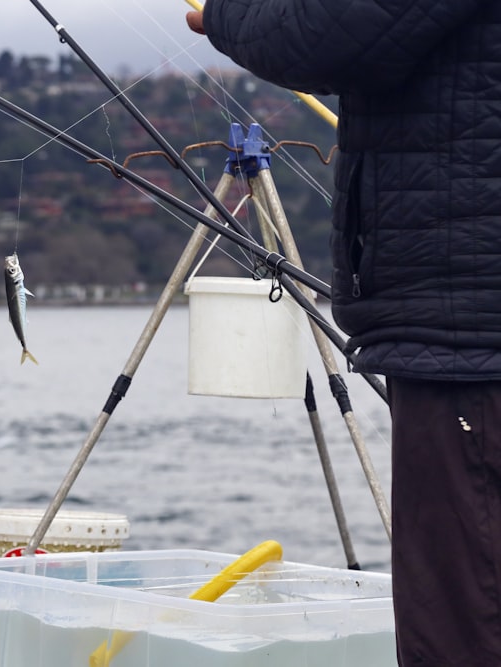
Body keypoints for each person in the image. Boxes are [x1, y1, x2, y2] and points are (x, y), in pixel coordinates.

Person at [187, 1, 501, 664]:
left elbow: (323, 32)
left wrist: (226, 14)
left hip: (469, 343)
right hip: (465, 331)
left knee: (461, 622)